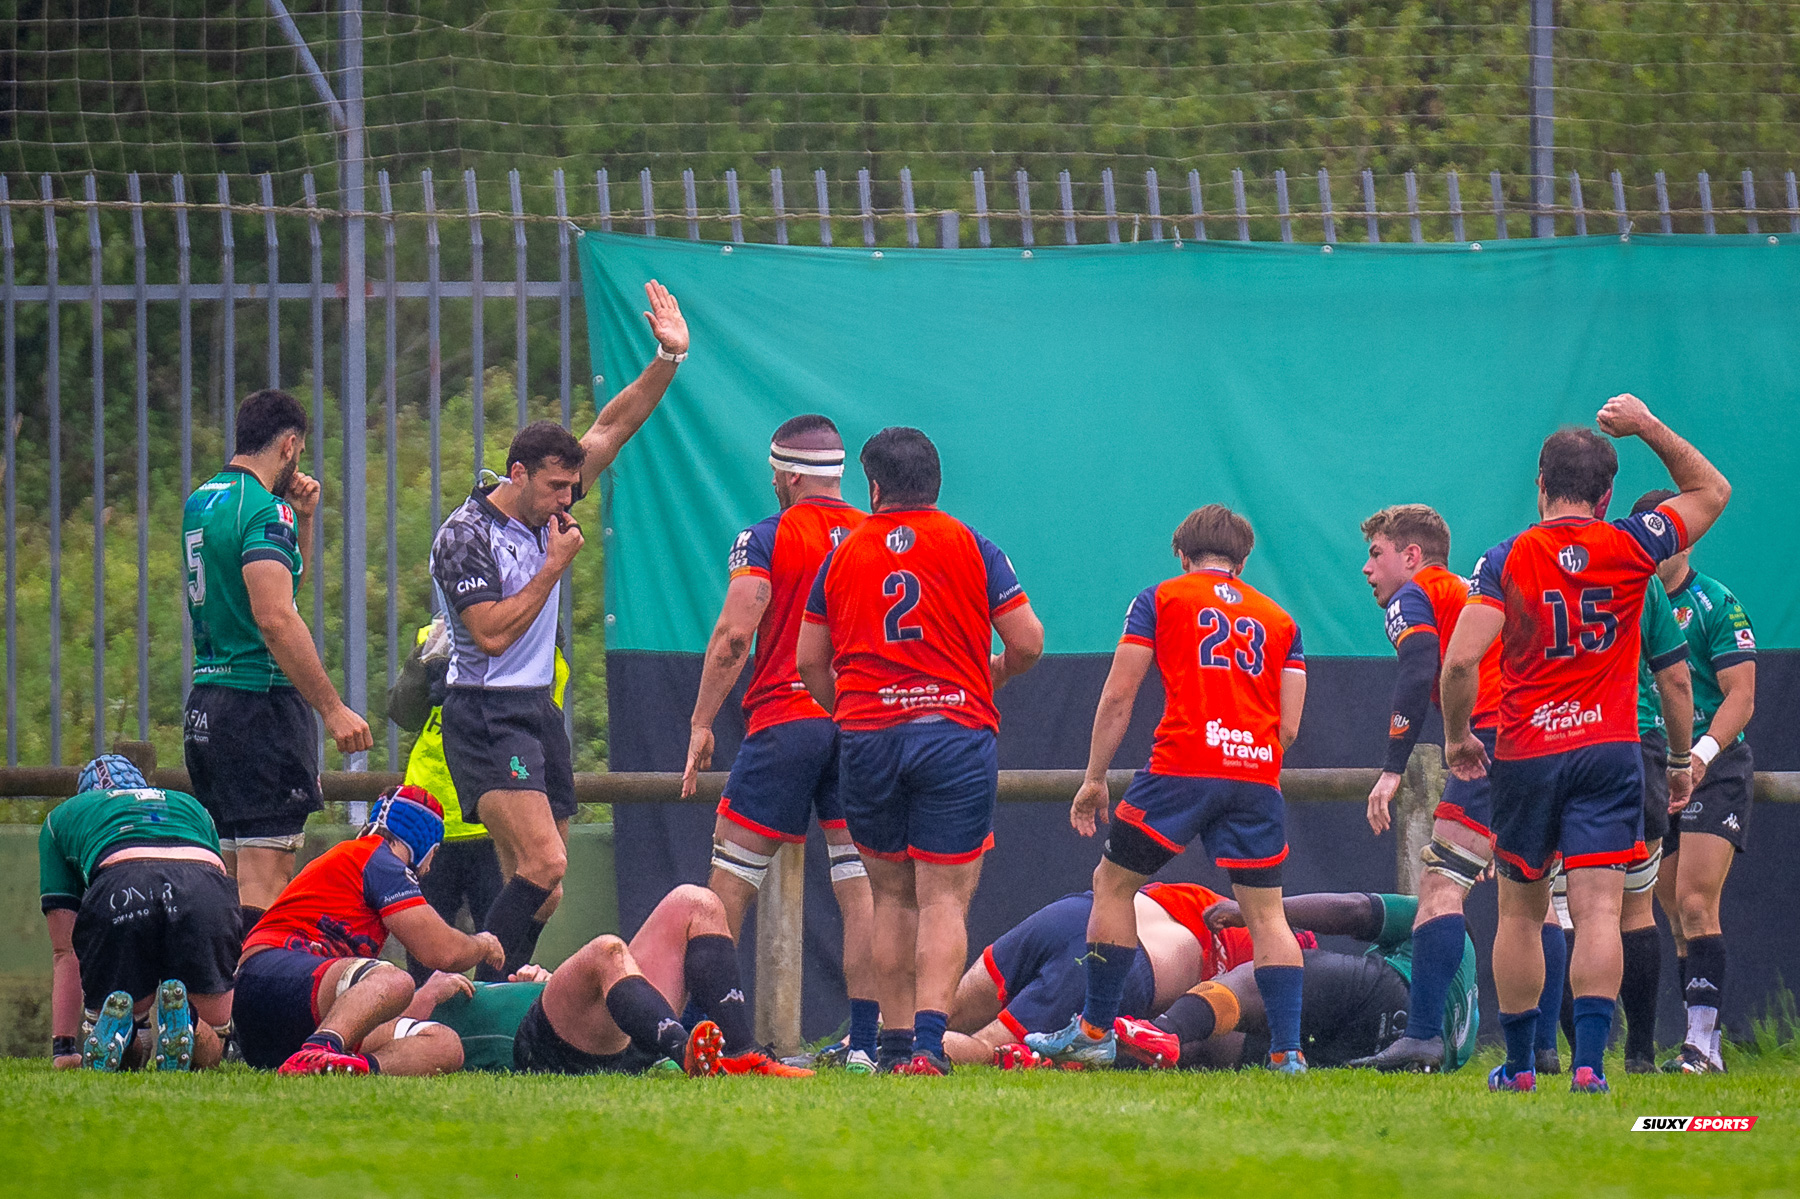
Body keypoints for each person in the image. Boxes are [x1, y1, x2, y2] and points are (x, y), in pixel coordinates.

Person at [1439, 393, 1730, 1095]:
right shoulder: (1633, 543)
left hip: (1529, 753)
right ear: (1606, 497)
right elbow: (1712, 490)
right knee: (1604, 908)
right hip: (1608, 749)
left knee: (1521, 909)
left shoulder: (1505, 557)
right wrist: (1648, 425)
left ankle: (1519, 1064)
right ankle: (1593, 1066)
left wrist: (1456, 737)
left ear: (1539, 485)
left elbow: (1456, 663)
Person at [430, 280, 689, 980]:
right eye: (553, 490)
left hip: (537, 709)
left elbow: (613, 426)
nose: (566, 503)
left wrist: (668, 358)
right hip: (486, 710)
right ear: (517, 474)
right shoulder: (466, 535)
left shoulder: (553, 503)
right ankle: (475, 985)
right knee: (546, 864)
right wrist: (552, 568)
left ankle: (491, 991)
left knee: (541, 890)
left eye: (573, 491)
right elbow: (488, 634)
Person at [1028, 504, 1311, 1073]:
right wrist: (1248, 758)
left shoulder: (1160, 599)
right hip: (1256, 771)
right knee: (1268, 917)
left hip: (1184, 764)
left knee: (1112, 884)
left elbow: (1119, 695)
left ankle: (1093, 1030)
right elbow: (1290, 726)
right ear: (1244, 560)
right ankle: (1287, 1052)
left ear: (1183, 556)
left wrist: (1092, 779)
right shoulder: (1282, 621)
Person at [796, 426, 1044, 1075]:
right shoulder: (971, 544)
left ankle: (893, 1044)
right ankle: (930, 1048)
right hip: (953, 732)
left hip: (869, 738)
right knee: (943, 899)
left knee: (891, 898)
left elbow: (809, 661)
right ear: (934, 482)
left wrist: (852, 711)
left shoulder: (842, 556)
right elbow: (1028, 641)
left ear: (873, 487)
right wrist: (992, 676)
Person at [681, 415, 879, 1070]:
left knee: (725, 888)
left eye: (774, 474)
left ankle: (708, 1035)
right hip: (859, 724)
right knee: (862, 888)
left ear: (788, 476)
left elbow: (736, 634)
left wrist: (701, 722)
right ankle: (868, 1042)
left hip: (786, 719)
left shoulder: (766, 536)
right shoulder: (875, 539)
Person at [181, 388, 373, 924]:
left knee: (228, 874)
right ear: (290, 446)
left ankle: (214, 1009)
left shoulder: (204, 500)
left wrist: (304, 519)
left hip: (208, 707)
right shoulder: (264, 509)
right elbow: (276, 617)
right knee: (266, 883)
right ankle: (250, 1008)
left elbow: (278, 590)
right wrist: (332, 708)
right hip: (258, 707)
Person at [1348, 504, 1505, 1073]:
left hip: (1489, 742)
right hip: (1539, 740)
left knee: (1439, 887)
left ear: (1411, 557)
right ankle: (1544, 1051)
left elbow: (1418, 669)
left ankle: (1421, 1038)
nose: (1367, 569)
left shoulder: (1415, 595)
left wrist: (1392, 767)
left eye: (1376, 554)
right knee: (1535, 902)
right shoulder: (1472, 591)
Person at [233, 785, 503, 1075]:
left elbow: (363, 1006)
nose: (429, 868)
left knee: (444, 1044)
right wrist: (484, 944)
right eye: (434, 855)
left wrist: (427, 996)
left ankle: (346, 1067)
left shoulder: (357, 858)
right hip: (275, 973)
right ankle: (320, 1050)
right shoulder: (377, 858)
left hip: (277, 1017)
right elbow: (442, 952)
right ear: (428, 848)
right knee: (395, 979)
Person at [411, 885, 810, 1077]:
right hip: (543, 1049)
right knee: (607, 951)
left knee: (696, 902)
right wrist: (424, 995)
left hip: (611, 1024)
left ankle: (743, 1054)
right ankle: (682, 1050)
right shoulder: (403, 1009)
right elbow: (372, 1044)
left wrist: (542, 980)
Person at [1550, 560, 1694, 1074]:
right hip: (1632, 742)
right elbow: (1675, 678)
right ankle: (1639, 1052)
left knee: (1561, 911)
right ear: (1605, 496)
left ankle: (1569, 1054)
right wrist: (1682, 760)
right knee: (1632, 909)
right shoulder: (1638, 573)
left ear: (1544, 486)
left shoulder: (1521, 559)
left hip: (1551, 741)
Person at [1635, 488, 1757, 1075]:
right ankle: (1696, 1041)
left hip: (1713, 766)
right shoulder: (1628, 602)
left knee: (1693, 900)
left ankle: (1702, 1047)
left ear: (1684, 536)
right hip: (1658, 764)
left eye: (1667, 532)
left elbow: (1742, 694)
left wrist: (1702, 753)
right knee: (1669, 908)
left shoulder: (1715, 601)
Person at [387, 614, 569, 984]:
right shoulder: (435, 632)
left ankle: (486, 1023)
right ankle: (427, 1028)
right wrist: (430, 655)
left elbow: (544, 704)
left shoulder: (541, 644)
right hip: (430, 821)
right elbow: (403, 713)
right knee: (425, 956)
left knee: (501, 947)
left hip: (495, 815)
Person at [1111, 891, 1479, 1073]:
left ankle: (1164, 1029)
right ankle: (1115, 1056)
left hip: (1388, 992)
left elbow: (1356, 911)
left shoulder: (1442, 920)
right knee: (1216, 1044)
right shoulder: (1469, 1016)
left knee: (1262, 977)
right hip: (1385, 1052)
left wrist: (1253, 912)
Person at [39, 755, 240, 1072]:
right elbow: (218, 875)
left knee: (126, 1018)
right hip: (203, 889)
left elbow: (65, 952)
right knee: (214, 1038)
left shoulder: (64, 816)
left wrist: (63, 1049)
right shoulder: (190, 805)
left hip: (122, 884)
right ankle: (189, 1023)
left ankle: (126, 1034)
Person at [945, 881, 1273, 1066]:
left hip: (1072, 913)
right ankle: (900, 1053)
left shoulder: (1207, 900)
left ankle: (897, 1036)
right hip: (1119, 958)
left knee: (941, 1016)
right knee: (984, 1049)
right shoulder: (1270, 958)